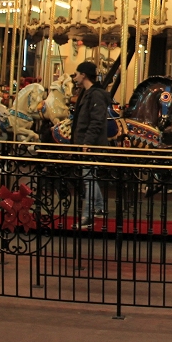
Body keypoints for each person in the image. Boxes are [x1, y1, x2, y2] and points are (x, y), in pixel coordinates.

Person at [72, 60, 111, 228]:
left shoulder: (95, 95)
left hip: (90, 143)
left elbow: (96, 121)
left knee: (89, 179)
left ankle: (88, 216)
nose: (74, 77)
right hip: (86, 141)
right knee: (90, 177)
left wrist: (87, 141)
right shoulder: (88, 93)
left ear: (84, 75)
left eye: (76, 74)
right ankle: (99, 208)